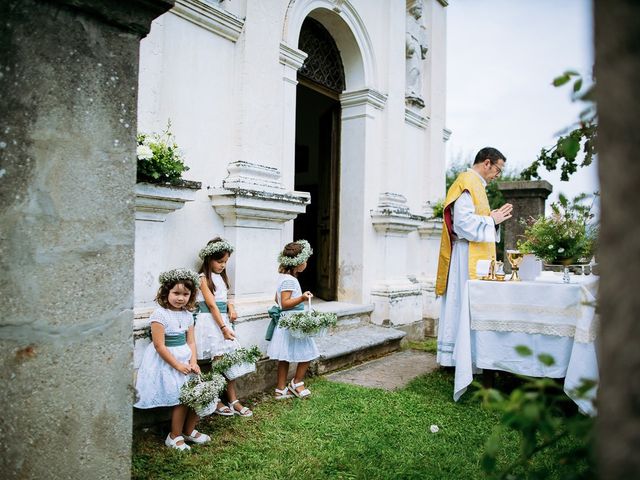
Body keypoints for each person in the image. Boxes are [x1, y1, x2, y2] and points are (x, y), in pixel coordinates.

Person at [435, 147, 513, 366]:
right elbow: (462, 224)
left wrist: (491, 218)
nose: (498, 174)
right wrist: (492, 220)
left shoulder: (478, 184)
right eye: (498, 169)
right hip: (464, 256)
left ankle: (467, 356)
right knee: (462, 304)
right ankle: (457, 358)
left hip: (471, 253)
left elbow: (474, 219)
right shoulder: (468, 182)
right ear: (487, 163)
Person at [134, 268, 211, 451]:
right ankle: (174, 436)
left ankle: (188, 430)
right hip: (167, 361)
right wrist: (177, 365)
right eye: (176, 293)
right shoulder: (160, 315)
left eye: (185, 294)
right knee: (181, 398)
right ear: (166, 292)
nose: (180, 298)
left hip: (185, 359)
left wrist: (193, 362)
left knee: (195, 394)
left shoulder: (187, 315)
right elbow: (159, 345)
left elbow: (191, 341)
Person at [194, 237, 252, 417]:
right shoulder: (203, 278)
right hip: (211, 323)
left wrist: (231, 308)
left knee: (227, 360)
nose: (223, 265)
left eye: (225, 262)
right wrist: (223, 328)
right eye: (219, 261)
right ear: (208, 259)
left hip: (222, 320)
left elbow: (224, 300)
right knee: (218, 362)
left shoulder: (221, 278)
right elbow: (211, 305)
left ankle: (232, 399)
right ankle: (218, 400)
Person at [267, 240, 318, 399]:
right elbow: (284, 303)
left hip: (287, 322)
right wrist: (302, 298)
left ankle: (280, 388)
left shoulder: (283, 278)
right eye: (305, 260)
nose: (306, 263)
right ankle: (297, 382)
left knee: (285, 356)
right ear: (298, 263)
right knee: (308, 352)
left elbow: (277, 298)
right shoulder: (290, 280)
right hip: (292, 324)